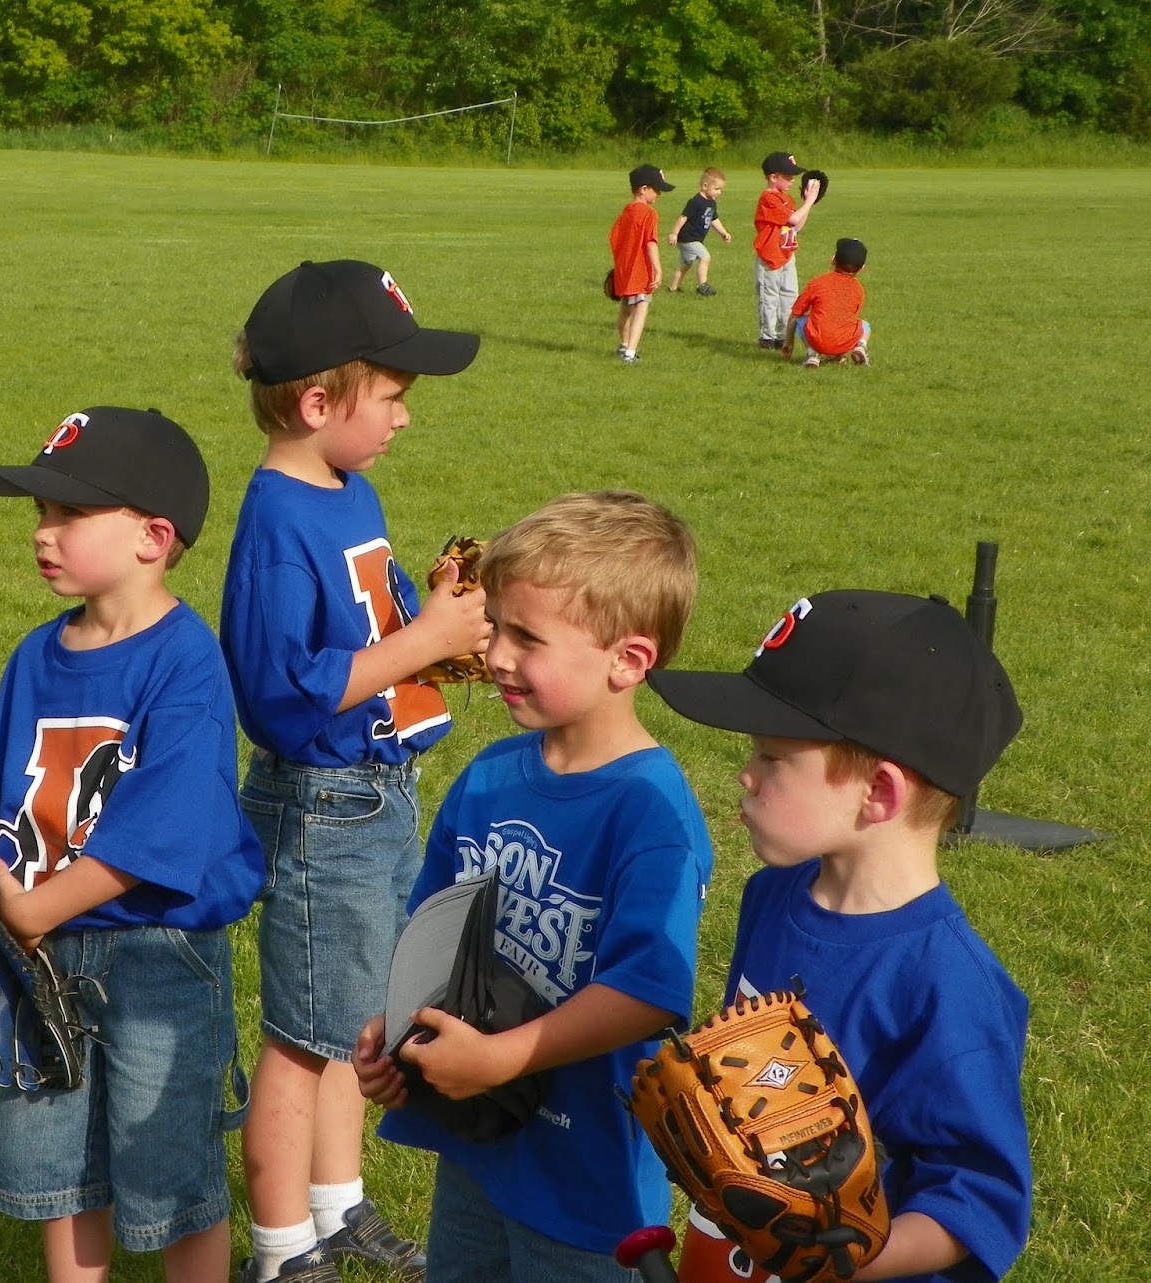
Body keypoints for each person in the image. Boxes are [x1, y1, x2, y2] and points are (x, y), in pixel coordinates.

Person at [0, 406, 267, 1283]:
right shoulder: (35, 657)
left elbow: (166, 831)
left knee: (175, 1174)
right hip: (37, 955)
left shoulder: (187, 662)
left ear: (154, 536)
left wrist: (34, 913)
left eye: (67, 515)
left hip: (159, 959)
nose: (43, 534)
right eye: (38, 514)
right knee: (60, 1173)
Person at [352, 491, 715, 1283]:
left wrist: (503, 1057)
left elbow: (649, 988)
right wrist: (398, 1033)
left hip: (589, 1178)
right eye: (496, 626)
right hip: (482, 1148)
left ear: (628, 660)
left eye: (528, 636)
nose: (497, 655)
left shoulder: (650, 813)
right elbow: (434, 927)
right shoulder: (487, 778)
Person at [222, 259, 491, 1283]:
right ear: (317, 399)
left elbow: (358, 635)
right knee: (300, 1035)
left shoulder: (347, 486)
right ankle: (280, 1248)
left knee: (353, 1021)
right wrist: (422, 639)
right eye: (391, 398)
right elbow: (281, 693)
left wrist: (425, 614)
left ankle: (335, 1206)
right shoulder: (277, 521)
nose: (403, 420)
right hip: (322, 805)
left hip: (377, 795)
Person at [647, 590, 1031, 1283]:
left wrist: (843, 1256)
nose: (746, 773)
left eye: (771, 757)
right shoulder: (772, 896)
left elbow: (980, 1199)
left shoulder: (946, 982)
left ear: (878, 793)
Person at [753, 152, 822, 350]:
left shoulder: (786, 199)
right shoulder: (769, 198)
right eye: (788, 176)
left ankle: (783, 334)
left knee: (790, 295)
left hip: (786, 253)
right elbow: (791, 220)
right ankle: (767, 336)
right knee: (770, 296)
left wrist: (809, 203)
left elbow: (797, 225)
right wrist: (809, 201)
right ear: (773, 177)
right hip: (770, 256)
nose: (792, 180)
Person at [609, 164, 675, 363]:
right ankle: (630, 352)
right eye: (656, 190)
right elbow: (650, 243)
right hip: (641, 270)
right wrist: (658, 269)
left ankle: (623, 344)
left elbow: (614, 239)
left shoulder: (626, 212)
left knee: (625, 310)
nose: (659, 195)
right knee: (641, 308)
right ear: (643, 189)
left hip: (624, 269)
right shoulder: (649, 213)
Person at [784, 237, 872, 368]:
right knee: (864, 325)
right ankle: (860, 347)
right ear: (861, 269)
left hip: (817, 340)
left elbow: (795, 314)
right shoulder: (858, 289)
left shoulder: (818, 282)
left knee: (802, 320)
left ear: (833, 260)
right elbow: (848, 320)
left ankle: (812, 354)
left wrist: (788, 342)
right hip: (845, 342)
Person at [667, 167, 732, 296]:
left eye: (720, 189)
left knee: (686, 264)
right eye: (716, 189)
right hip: (688, 238)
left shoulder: (711, 203)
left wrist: (723, 233)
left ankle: (673, 288)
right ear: (705, 185)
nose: (719, 192)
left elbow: (714, 219)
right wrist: (674, 233)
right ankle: (702, 285)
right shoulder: (696, 202)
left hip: (694, 239)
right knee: (705, 257)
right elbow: (683, 217)